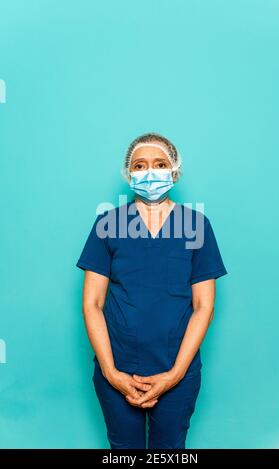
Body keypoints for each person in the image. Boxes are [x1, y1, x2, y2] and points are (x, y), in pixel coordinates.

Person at [76, 132, 228, 449]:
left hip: (178, 371)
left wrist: (174, 375)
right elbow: (92, 304)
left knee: (169, 451)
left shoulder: (197, 226)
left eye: (159, 164)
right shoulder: (108, 224)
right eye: (139, 165)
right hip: (117, 369)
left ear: (174, 170)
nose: (149, 173)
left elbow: (204, 307)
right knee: (124, 450)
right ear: (128, 174)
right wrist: (111, 372)